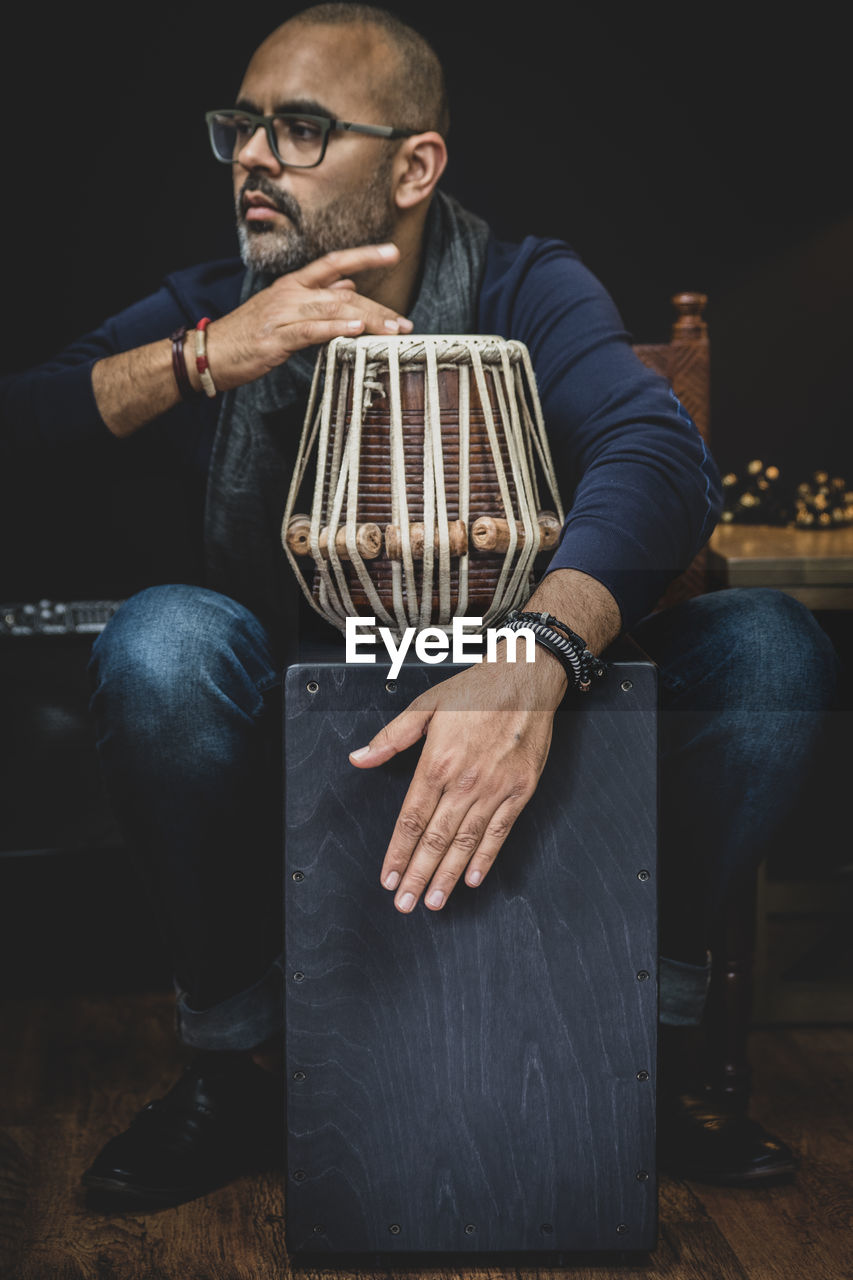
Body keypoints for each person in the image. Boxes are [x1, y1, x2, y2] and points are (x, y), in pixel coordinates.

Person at [1, 3, 839, 1208]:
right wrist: (202, 354)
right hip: (301, 724)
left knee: (766, 649)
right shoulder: (214, 301)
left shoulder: (525, 284)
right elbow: (20, 428)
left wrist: (538, 654)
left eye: (297, 130)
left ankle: (647, 1054)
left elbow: (661, 457)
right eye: (242, 127)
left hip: (525, 713)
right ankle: (232, 1065)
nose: (250, 157)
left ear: (415, 165)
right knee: (165, 642)